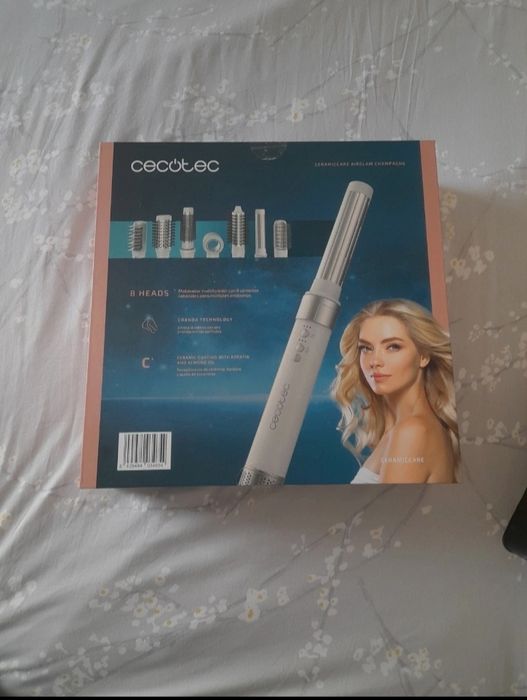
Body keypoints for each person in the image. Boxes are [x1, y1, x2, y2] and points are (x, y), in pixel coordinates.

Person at [332, 299, 459, 484]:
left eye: (393, 347)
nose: (374, 361)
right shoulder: (403, 428)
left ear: (423, 356)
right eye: (366, 348)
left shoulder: (412, 432)